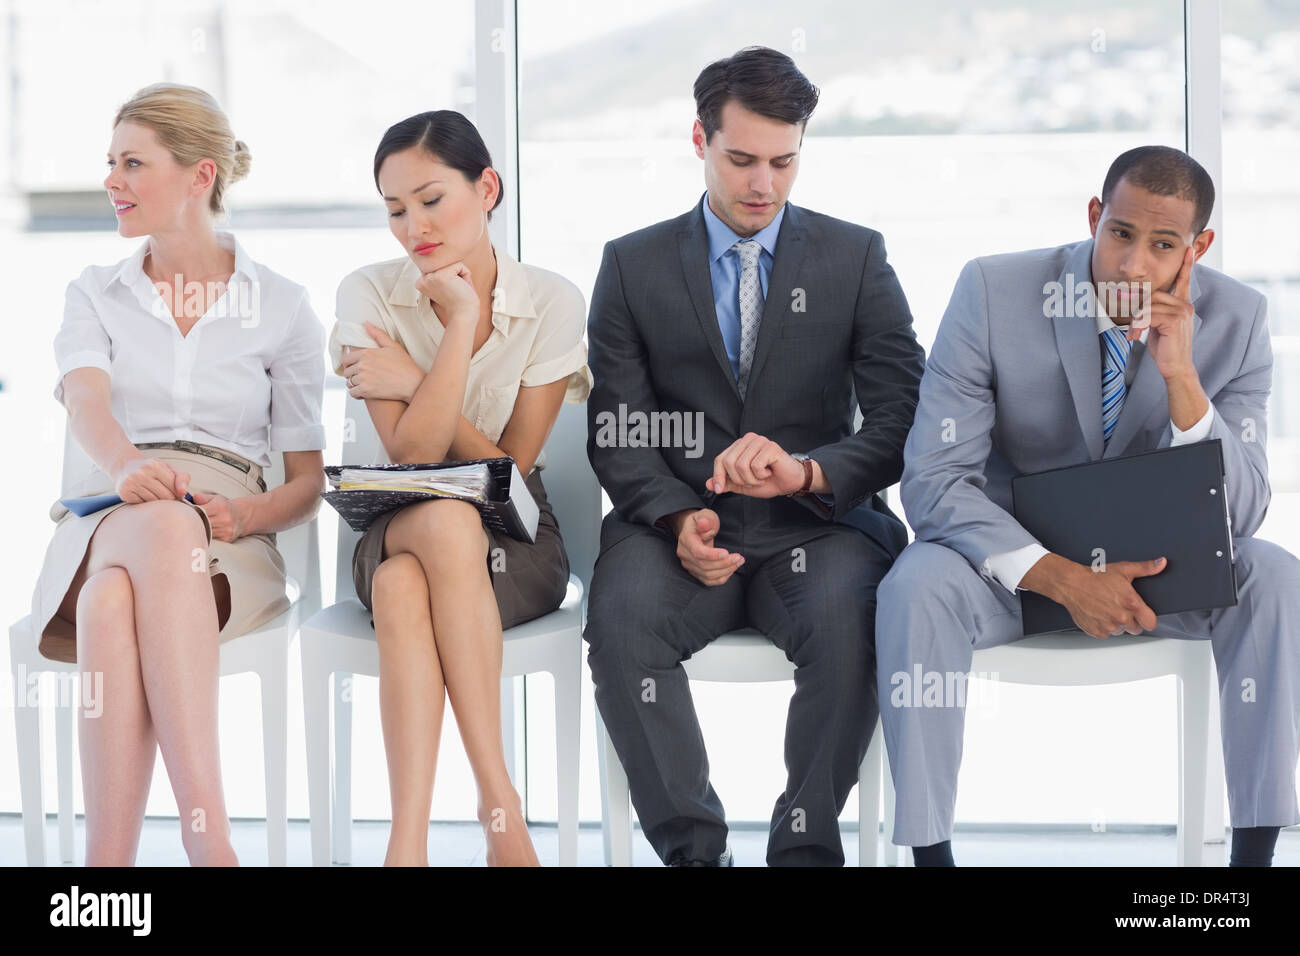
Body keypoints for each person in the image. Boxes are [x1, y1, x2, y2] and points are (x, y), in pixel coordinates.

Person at [877, 145, 1300, 867]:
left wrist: (1182, 380)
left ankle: (1252, 866)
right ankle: (930, 857)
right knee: (914, 584)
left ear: (1196, 249)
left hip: (1159, 576)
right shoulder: (992, 291)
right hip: (1012, 580)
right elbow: (934, 480)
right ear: (1096, 217)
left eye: (1163, 245)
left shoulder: (1238, 318)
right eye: (1122, 233)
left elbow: (1244, 515)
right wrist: (1063, 578)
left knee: (1274, 576)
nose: (1133, 264)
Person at [583, 46, 926, 867]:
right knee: (621, 624)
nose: (762, 185)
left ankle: (803, 851)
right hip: (675, 528)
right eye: (740, 160)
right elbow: (616, 426)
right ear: (699, 140)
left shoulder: (855, 257)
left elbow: (904, 415)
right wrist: (677, 513)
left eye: (783, 161)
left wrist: (811, 472)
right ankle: (696, 855)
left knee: (854, 623)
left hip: (818, 527)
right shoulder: (632, 265)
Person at [31, 83, 327, 866]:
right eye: (110, 162)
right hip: (111, 509)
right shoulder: (94, 292)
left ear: (200, 176)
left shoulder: (284, 306)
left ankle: (104, 878)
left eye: (134, 163)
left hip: (229, 537)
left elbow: (306, 481)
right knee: (155, 529)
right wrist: (128, 466)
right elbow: (86, 399)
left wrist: (248, 517)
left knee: (110, 604)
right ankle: (213, 849)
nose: (112, 180)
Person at [327, 110, 591, 867]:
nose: (414, 227)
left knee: (414, 581)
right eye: (395, 210)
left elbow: (508, 471)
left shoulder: (552, 300)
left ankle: (405, 847)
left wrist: (417, 374)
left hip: (517, 534)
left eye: (432, 199)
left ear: (488, 187)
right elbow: (410, 452)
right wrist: (455, 329)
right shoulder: (368, 294)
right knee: (438, 525)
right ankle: (499, 805)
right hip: (395, 522)